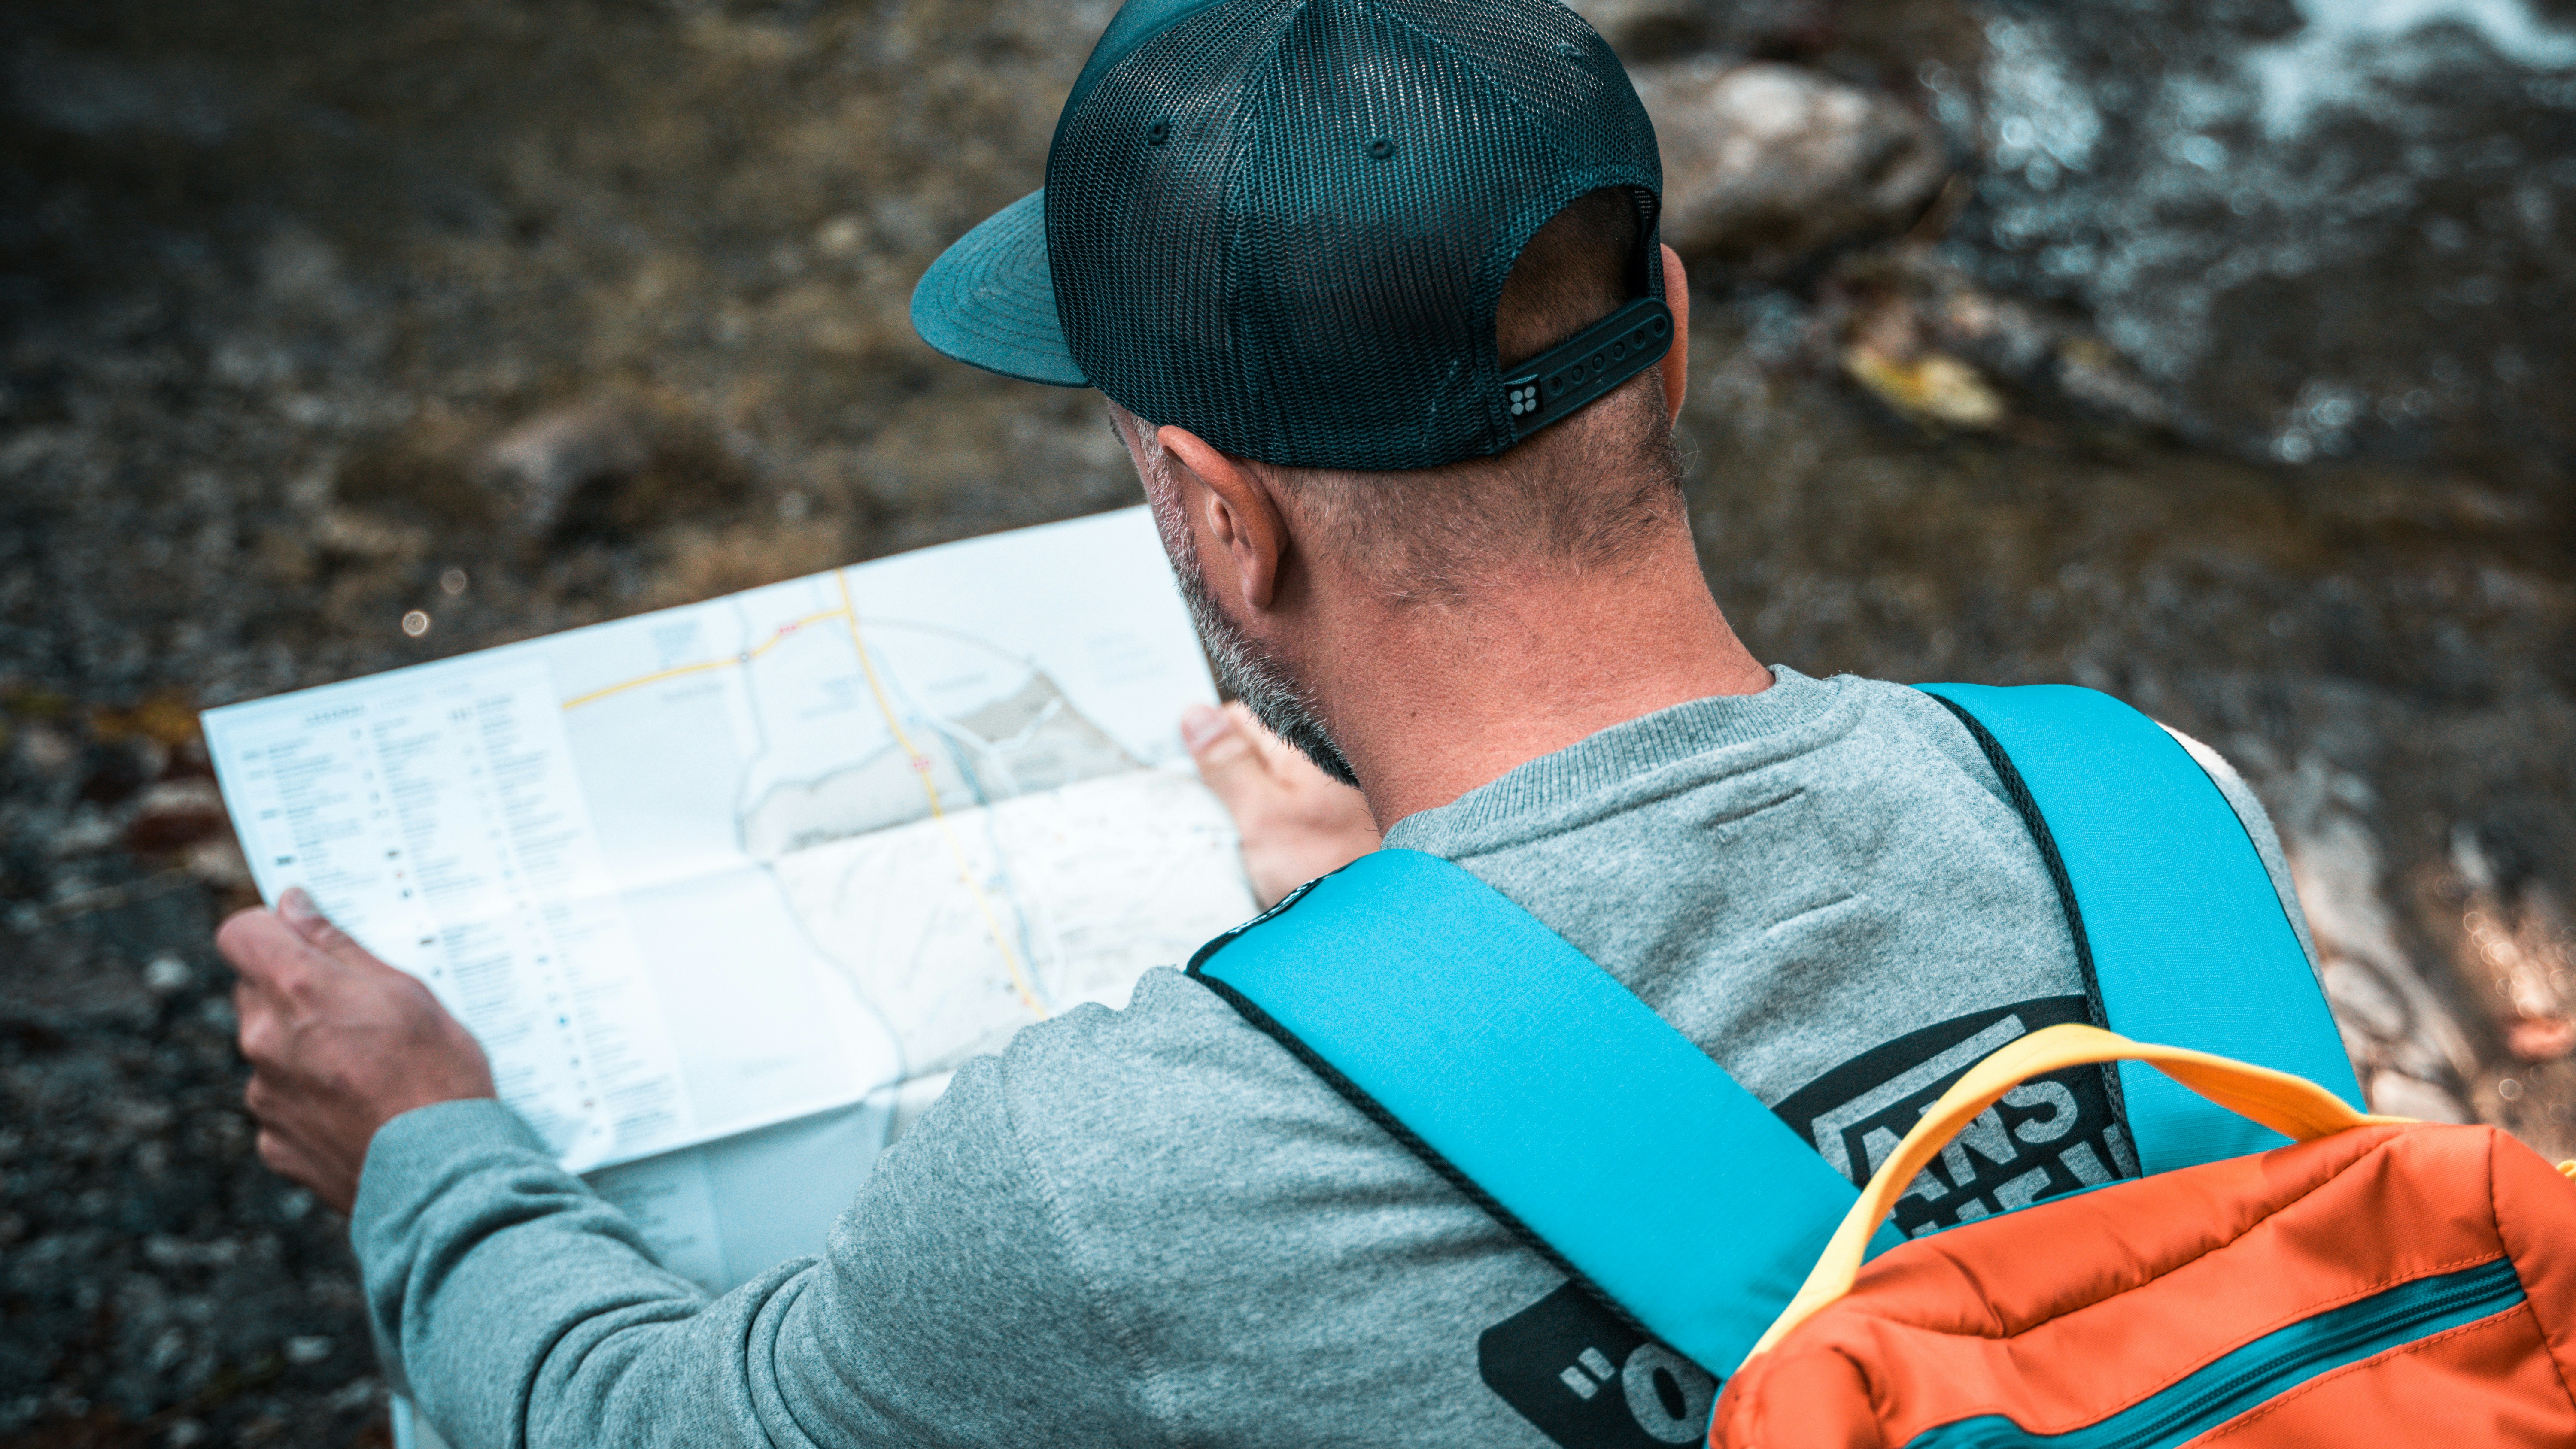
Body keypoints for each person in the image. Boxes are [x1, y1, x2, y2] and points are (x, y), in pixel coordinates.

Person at [214, 1, 2327, 1445]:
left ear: (1219, 518)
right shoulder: (2150, 811)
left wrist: (423, 1144)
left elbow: (631, 1416)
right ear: (1668, 342)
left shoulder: (1116, 1176)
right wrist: (1414, 951)